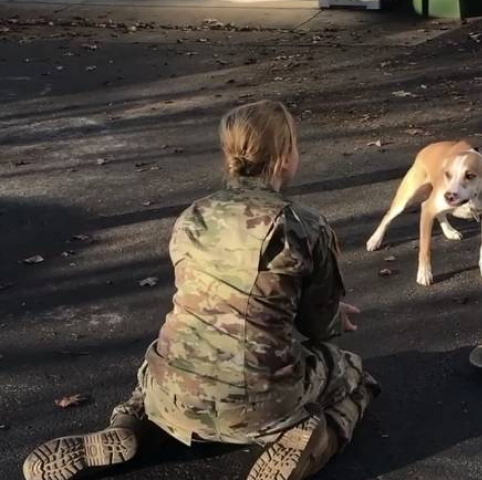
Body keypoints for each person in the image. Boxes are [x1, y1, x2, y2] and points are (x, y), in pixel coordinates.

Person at [22, 100, 380, 480]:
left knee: (156, 376)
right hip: (258, 398)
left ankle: (129, 427)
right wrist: (334, 316)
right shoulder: (304, 226)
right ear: (284, 157)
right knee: (354, 375)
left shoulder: (193, 215)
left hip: (173, 388)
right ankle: (312, 438)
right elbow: (318, 327)